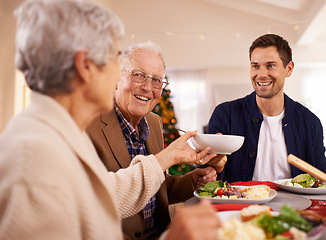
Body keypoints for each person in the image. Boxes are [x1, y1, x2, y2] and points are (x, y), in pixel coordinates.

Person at [0, 0, 221, 239]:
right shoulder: (35, 153)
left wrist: (170, 159)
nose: (117, 73)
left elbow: (107, 193)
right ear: (85, 66)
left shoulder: (61, 133)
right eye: (113, 60)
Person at [86, 41, 225, 239]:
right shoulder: (89, 124)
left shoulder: (153, 122)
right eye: (138, 75)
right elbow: (93, 201)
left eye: (157, 80)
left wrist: (192, 181)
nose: (147, 87)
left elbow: (157, 185)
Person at [208, 33, 326, 183]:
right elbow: (207, 177)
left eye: (270, 66)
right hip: (238, 206)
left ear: (289, 69)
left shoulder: (310, 122)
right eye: (255, 66)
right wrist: (215, 166)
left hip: (293, 207)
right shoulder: (225, 115)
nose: (261, 74)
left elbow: (321, 179)